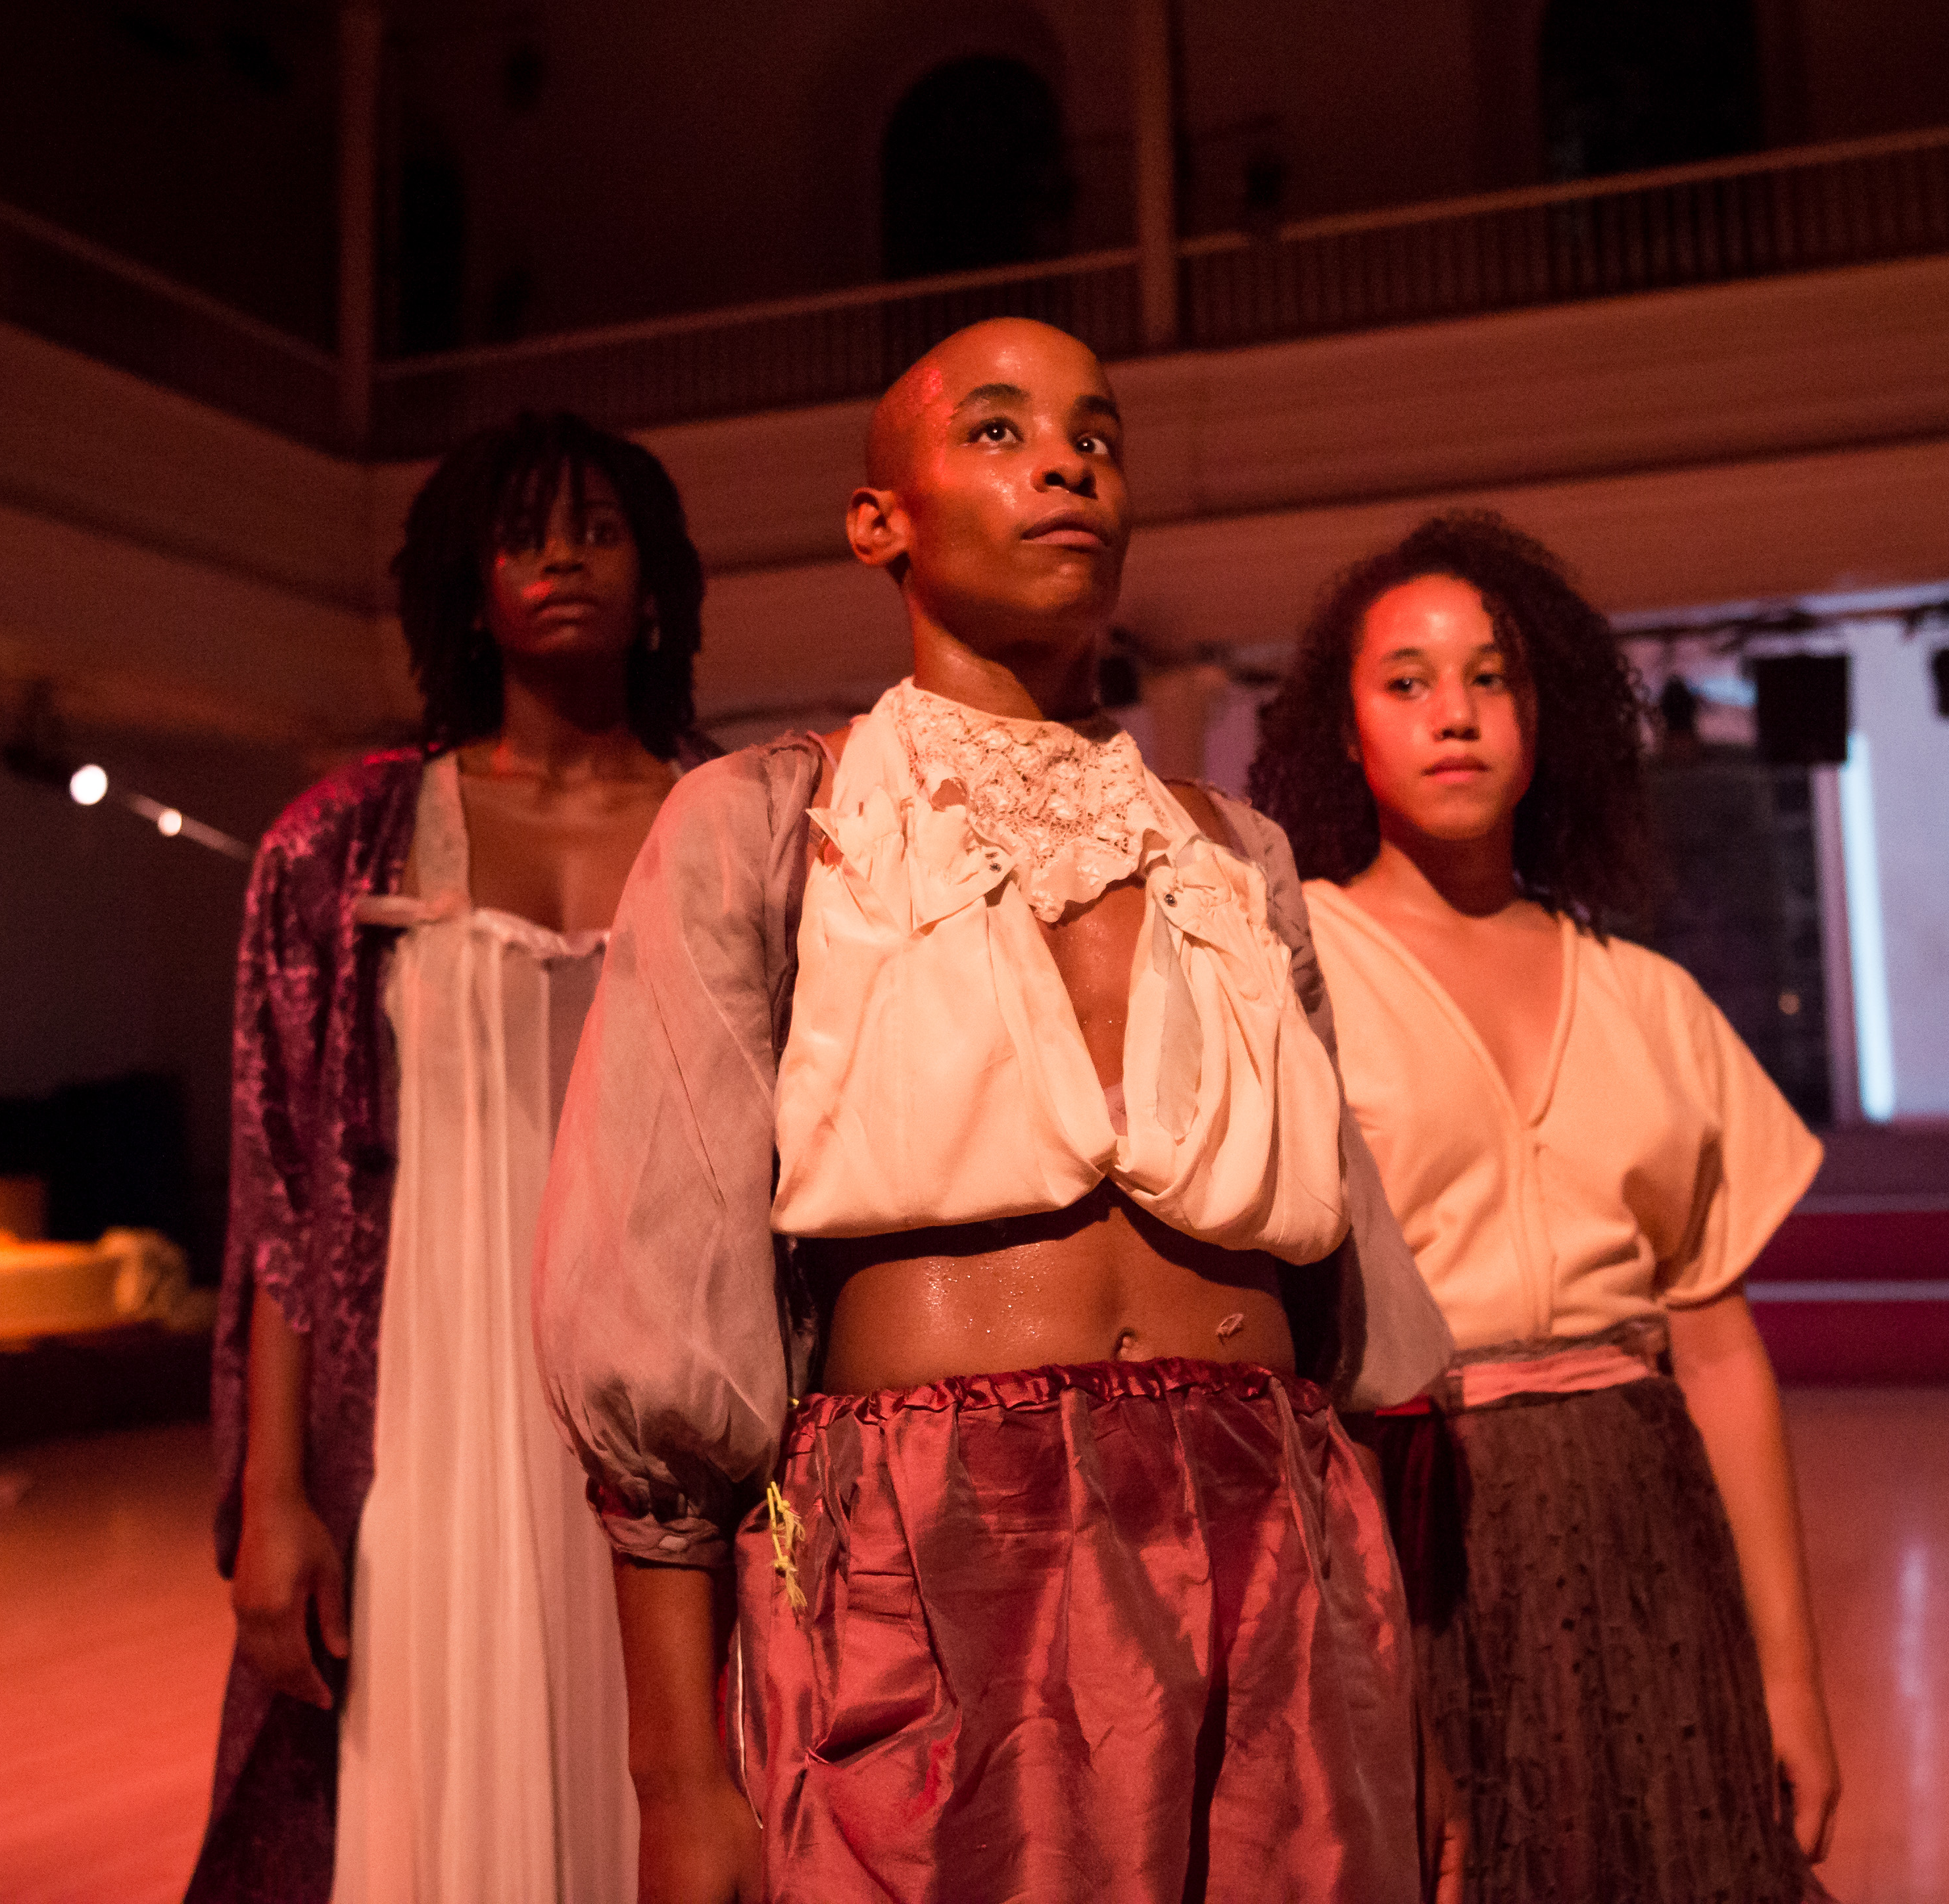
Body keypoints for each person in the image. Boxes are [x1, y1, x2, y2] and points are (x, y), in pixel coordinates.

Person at [535, 318, 1453, 1904]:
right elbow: (663, 1319)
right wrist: (677, 1778)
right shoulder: (771, 824)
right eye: (1002, 432)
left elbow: (1358, 1308)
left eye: (1098, 438)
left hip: (1275, 1542)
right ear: (877, 519)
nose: (1064, 465)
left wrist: (1411, 1700)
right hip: (936, 1558)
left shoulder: (1240, 858)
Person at [1247, 512, 1841, 1904]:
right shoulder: (1292, 971)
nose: (1453, 713)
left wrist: (1794, 1678)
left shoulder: (1650, 999)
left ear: (1544, 708)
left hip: (1644, 1512)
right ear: (1344, 728)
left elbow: (1721, 1351)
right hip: (1411, 1525)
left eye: (1491, 674)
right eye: (1406, 680)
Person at [187, 411, 712, 1903]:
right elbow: (285, 1196)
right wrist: (279, 1495)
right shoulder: (341, 844)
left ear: (655, 574)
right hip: (428, 1414)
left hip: (674, 1404)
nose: (560, 555)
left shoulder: (738, 822)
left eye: (599, 528)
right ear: (465, 584)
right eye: (522, 532)